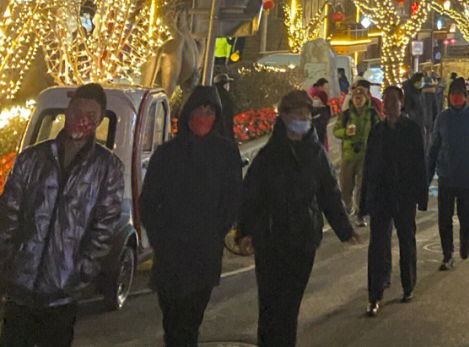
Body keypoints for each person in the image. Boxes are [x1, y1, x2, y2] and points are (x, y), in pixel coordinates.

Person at [0, 82, 122, 347]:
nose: (82, 121)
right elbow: (8, 212)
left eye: (91, 117)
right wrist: (8, 258)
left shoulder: (107, 167)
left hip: (62, 293)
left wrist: (82, 270)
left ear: (100, 121)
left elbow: (106, 225)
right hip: (19, 287)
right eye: (78, 112)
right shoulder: (32, 158)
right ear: (67, 111)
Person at [237, 88, 358, 347]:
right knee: (269, 305)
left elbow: (329, 194)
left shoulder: (315, 154)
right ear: (284, 117)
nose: (303, 118)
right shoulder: (268, 156)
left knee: (290, 307)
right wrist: (245, 231)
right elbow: (251, 196)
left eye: (306, 113)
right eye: (297, 113)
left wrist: (344, 230)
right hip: (271, 240)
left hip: (303, 240)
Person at [140, 84, 243, 347]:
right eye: (199, 110)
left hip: (204, 253)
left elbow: (232, 199)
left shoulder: (226, 153)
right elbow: (149, 202)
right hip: (171, 253)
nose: (203, 118)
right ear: (187, 113)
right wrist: (160, 239)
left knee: (190, 321)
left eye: (210, 112)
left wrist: (215, 231)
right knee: (172, 323)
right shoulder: (166, 155)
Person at [359, 84, 428, 317]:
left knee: (406, 240)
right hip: (380, 196)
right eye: (386, 101)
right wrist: (363, 203)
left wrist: (421, 197)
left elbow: (421, 165)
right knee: (377, 245)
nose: (389, 106)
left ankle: (408, 285)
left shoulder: (412, 130)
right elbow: (367, 168)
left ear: (401, 103)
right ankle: (375, 294)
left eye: (393, 101)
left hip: (404, 196)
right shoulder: (377, 132)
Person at [427, 76, 469, 269]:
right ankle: (447, 254)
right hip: (446, 175)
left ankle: (465, 238)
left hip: (466, 175)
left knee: (466, 214)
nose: (455, 99)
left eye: (459, 95)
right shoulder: (443, 118)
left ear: (464, 96)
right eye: (452, 95)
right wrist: (429, 172)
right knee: (444, 218)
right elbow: (435, 144)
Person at [332, 80, 379, 224]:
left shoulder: (371, 114)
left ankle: (360, 213)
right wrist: (345, 132)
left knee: (361, 186)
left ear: (366, 99)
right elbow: (336, 131)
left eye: (361, 98)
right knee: (346, 185)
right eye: (356, 98)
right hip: (349, 155)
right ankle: (346, 210)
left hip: (365, 155)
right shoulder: (346, 114)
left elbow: (378, 131)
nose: (358, 101)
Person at [212, 73, 237, 139]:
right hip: (225, 132)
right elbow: (227, 117)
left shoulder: (212, 97)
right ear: (225, 85)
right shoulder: (226, 97)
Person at [308, 79, 332, 148]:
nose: (326, 89)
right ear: (320, 86)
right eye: (325, 87)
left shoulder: (313, 92)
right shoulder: (320, 94)